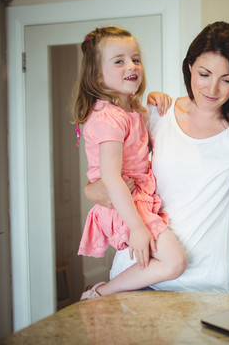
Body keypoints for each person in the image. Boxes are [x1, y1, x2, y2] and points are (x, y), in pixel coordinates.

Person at [85, 21, 229, 315]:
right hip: (136, 279)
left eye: (226, 79)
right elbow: (106, 177)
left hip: (205, 290)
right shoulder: (156, 114)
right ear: (189, 67)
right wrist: (92, 191)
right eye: (204, 74)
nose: (212, 89)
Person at [72, 26, 187, 300]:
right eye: (119, 60)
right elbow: (111, 178)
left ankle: (105, 291)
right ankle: (101, 292)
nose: (132, 65)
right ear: (97, 75)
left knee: (170, 262)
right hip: (123, 201)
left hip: (135, 197)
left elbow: (145, 133)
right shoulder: (107, 118)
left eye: (135, 58)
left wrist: (152, 100)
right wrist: (137, 228)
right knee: (175, 262)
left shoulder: (130, 109)